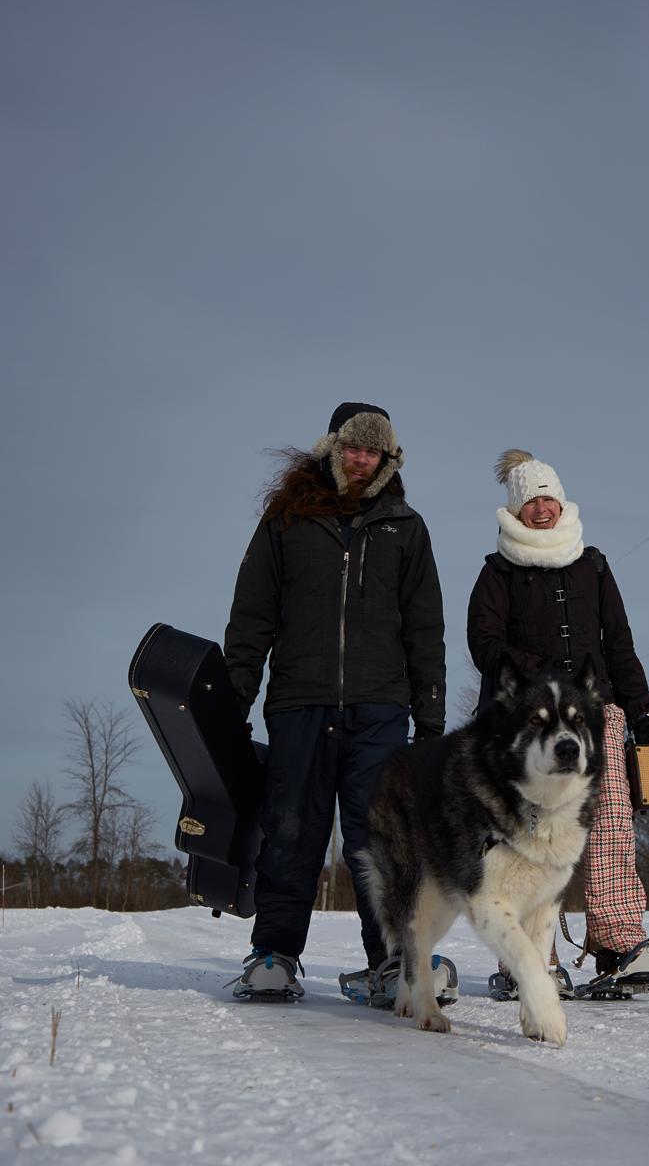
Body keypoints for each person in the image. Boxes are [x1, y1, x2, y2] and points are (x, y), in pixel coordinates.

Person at [224, 402, 448, 1002]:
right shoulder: (287, 520)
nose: (360, 460)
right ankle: (273, 953)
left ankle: (395, 958)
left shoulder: (407, 526)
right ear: (333, 448)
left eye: (372, 451)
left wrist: (429, 721)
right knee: (291, 831)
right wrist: (235, 698)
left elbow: (425, 629)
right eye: (352, 448)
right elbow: (253, 614)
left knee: (381, 838)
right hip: (300, 701)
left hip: (381, 708)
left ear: (386, 459)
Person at [467, 449, 649, 999]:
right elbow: (483, 644)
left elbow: (619, 646)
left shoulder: (593, 566)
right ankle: (530, 957)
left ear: (563, 503)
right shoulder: (498, 572)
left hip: (595, 717)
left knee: (609, 826)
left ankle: (618, 943)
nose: (541, 509)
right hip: (524, 726)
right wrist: (540, 678)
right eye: (531, 501)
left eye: (548, 499)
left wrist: (645, 711)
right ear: (516, 509)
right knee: (529, 836)